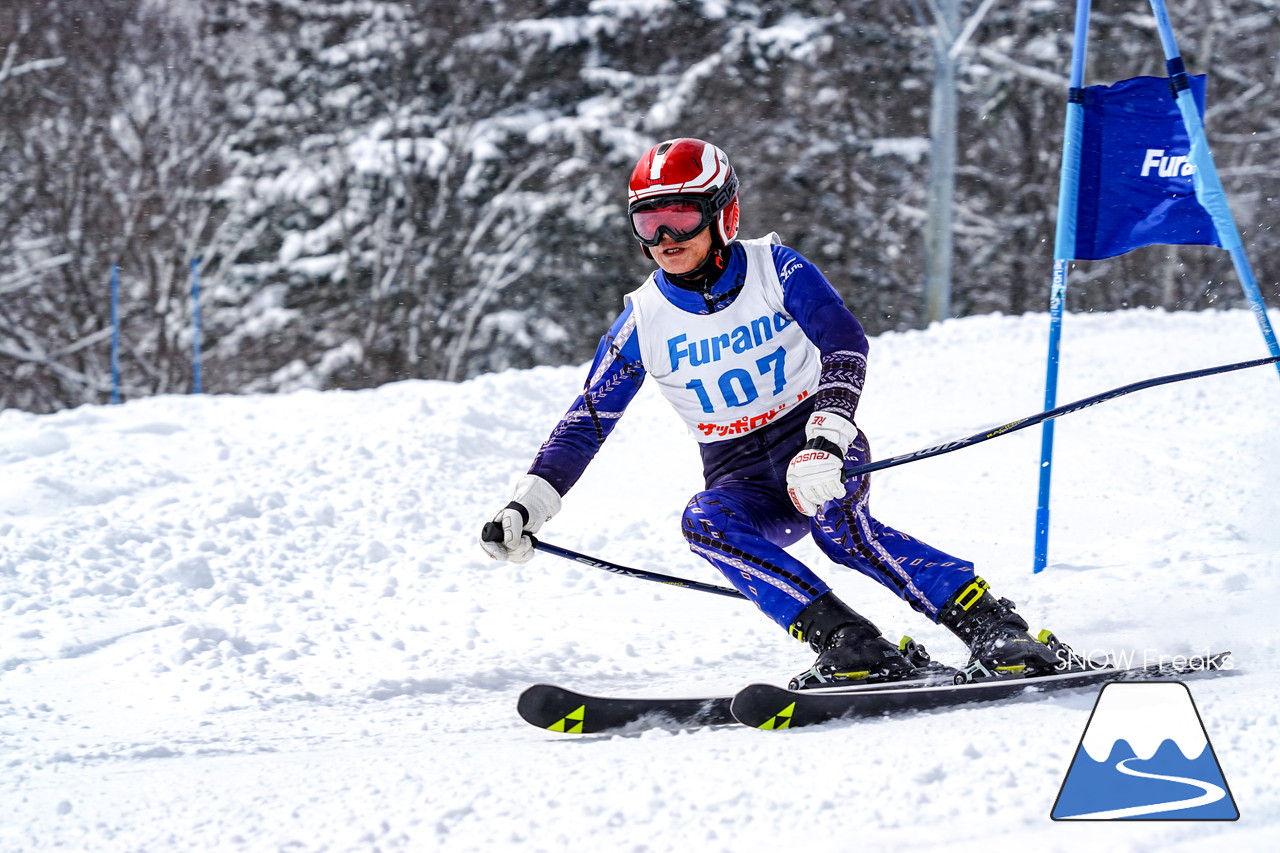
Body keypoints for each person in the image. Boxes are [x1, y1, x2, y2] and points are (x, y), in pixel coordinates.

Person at [480, 138, 1060, 688]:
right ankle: (852, 645)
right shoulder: (643, 319)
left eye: (680, 217)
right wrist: (527, 504)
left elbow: (844, 344)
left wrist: (828, 439)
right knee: (703, 521)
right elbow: (587, 422)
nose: (663, 237)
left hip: (813, 436)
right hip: (739, 475)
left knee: (840, 530)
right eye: (646, 221)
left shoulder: (774, 269)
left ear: (721, 214)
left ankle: (993, 628)